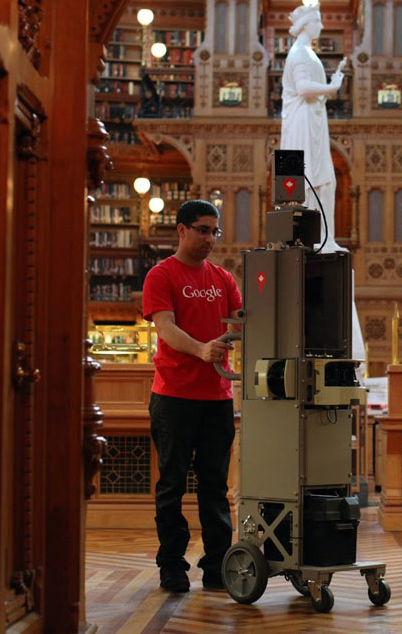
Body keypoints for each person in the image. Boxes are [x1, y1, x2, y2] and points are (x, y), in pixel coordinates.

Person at [142, 200, 242, 593]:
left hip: (218, 398)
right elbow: (165, 328)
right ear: (181, 230)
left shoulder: (223, 279)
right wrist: (202, 349)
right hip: (173, 397)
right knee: (171, 484)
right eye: (202, 229)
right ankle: (172, 566)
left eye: (214, 231)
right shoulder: (161, 274)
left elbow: (241, 323)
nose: (209, 238)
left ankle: (217, 566)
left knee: (215, 485)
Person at [280, 2, 347, 252]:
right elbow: (303, 89)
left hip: (312, 120)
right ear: (306, 25)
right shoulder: (299, 53)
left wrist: (331, 85)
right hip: (302, 123)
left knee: (323, 179)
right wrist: (332, 87)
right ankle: (309, 238)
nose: (321, 25)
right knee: (309, 177)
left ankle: (323, 238)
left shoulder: (306, 52)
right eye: (317, 21)